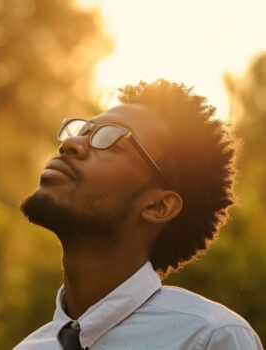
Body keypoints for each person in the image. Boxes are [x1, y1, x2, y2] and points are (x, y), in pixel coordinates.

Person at [14, 80, 264, 349]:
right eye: (83, 130)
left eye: (110, 139)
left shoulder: (209, 338)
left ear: (158, 207)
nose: (72, 143)